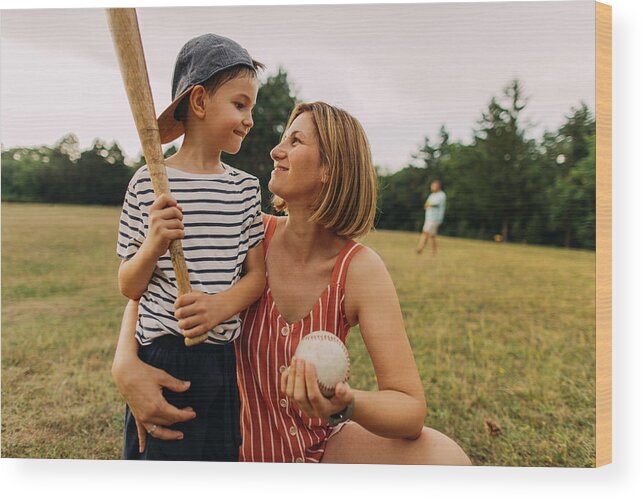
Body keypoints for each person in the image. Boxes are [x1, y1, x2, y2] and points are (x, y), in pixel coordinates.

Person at [113, 102, 471, 465]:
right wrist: (125, 364)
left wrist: (347, 405)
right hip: (224, 446)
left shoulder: (360, 270)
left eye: (295, 141)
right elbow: (155, 289)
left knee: (447, 460)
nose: (275, 150)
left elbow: (409, 407)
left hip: (313, 452)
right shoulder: (249, 234)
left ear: (329, 169)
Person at [115, 33, 267, 461]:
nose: (249, 118)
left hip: (221, 361)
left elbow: (257, 275)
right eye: (240, 104)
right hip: (162, 358)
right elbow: (129, 285)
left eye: (250, 108)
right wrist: (152, 245)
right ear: (199, 102)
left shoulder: (244, 189)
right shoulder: (148, 182)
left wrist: (220, 306)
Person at [416, 180, 447, 256]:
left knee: (426, 233)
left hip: (435, 218)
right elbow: (426, 204)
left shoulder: (442, 195)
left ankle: (420, 248)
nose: (431, 187)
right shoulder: (431, 195)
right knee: (431, 235)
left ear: (438, 186)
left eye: (433, 186)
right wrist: (428, 205)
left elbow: (434, 204)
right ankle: (433, 252)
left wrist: (429, 205)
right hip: (429, 217)